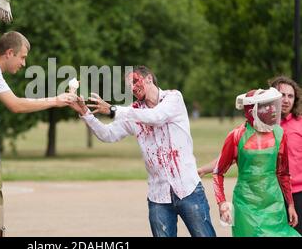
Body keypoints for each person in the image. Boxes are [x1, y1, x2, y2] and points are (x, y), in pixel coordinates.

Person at [69, 66, 216, 237]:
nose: (132, 88)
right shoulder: (133, 112)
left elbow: (156, 117)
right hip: (158, 196)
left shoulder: (173, 98)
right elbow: (108, 134)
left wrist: (113, 110)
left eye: (134, 81)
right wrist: (85, 113)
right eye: (128, 86)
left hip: (188, 189)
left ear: (149, 79)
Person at [197, 75, 302, 235]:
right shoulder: (237, 136)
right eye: (267, 106)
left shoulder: (279, 133)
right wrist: (222, 203)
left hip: (274, 202)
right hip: (245, 204)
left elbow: (282, 173)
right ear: (253, 110)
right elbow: (220, 170)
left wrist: (290, 205)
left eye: (272, 106)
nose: (273, 110)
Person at [0, 31, 76, 112]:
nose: (24, 64)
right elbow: (15, 105)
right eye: (22, 57)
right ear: (10, 53)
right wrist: (56, 101)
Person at [268, 76, 302, 235]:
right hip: (272, 193)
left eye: (291, 96)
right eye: (282, 95)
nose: (287, 100)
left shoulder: (300, 124)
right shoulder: (263, 126)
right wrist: (205, 169)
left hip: (298, 193)